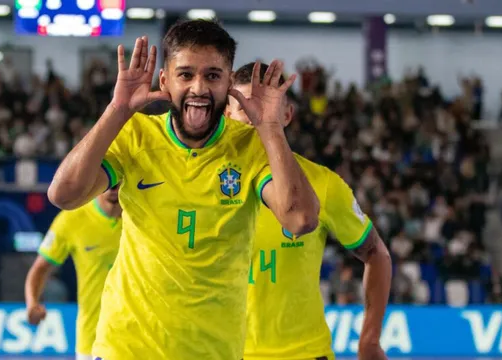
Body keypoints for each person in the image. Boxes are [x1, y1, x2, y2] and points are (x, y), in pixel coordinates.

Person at [47, 19, 320, 360]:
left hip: (213, 351)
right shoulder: (136, 135)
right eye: (186, 74)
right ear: (165, 80)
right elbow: (64, 195)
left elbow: (301, 220)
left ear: (228, 83)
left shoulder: (250, 147)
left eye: (213, 75)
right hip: (126, 347)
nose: (199, 88)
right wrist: (117, 110)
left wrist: (270, 127)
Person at [226, 62, 392, 360]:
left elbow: (376, 254)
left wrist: (369, 340)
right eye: (244, 107)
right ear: (227, 115)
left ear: (286, 115)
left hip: (305, 353)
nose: (256, 117)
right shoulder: (202, 179)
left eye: (266, 106)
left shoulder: (323, 185)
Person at [25, 186, 122, 360]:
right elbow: (40, 268)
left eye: (120, 179)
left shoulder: (142, 215)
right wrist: (32, 303)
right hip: (92, 338)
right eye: (111, 180)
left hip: (138, 335)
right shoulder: (71, 219)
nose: (114, 186)